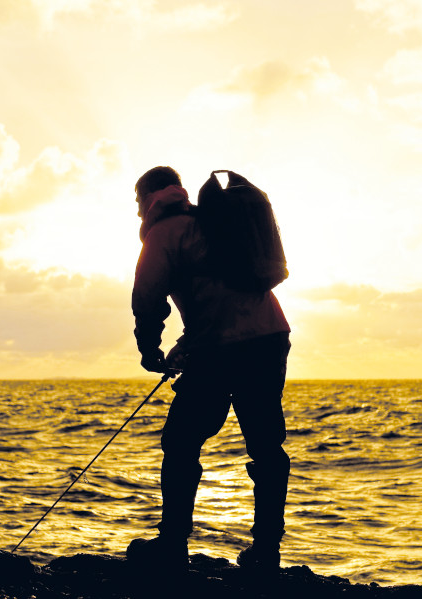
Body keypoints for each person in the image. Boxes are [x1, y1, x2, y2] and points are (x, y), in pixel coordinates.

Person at [128, 166, 291, 573]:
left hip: (221, 350)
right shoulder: (213, 222)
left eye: (136, 202)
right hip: (269, 337)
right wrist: (190, 342)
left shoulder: (165, 232)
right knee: (267, 447)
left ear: (148, 196)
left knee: (180, 443)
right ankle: (266, 554)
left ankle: (171, 547)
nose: (135, 213)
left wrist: (150, 348)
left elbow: (147, 297)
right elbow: (222, 297)